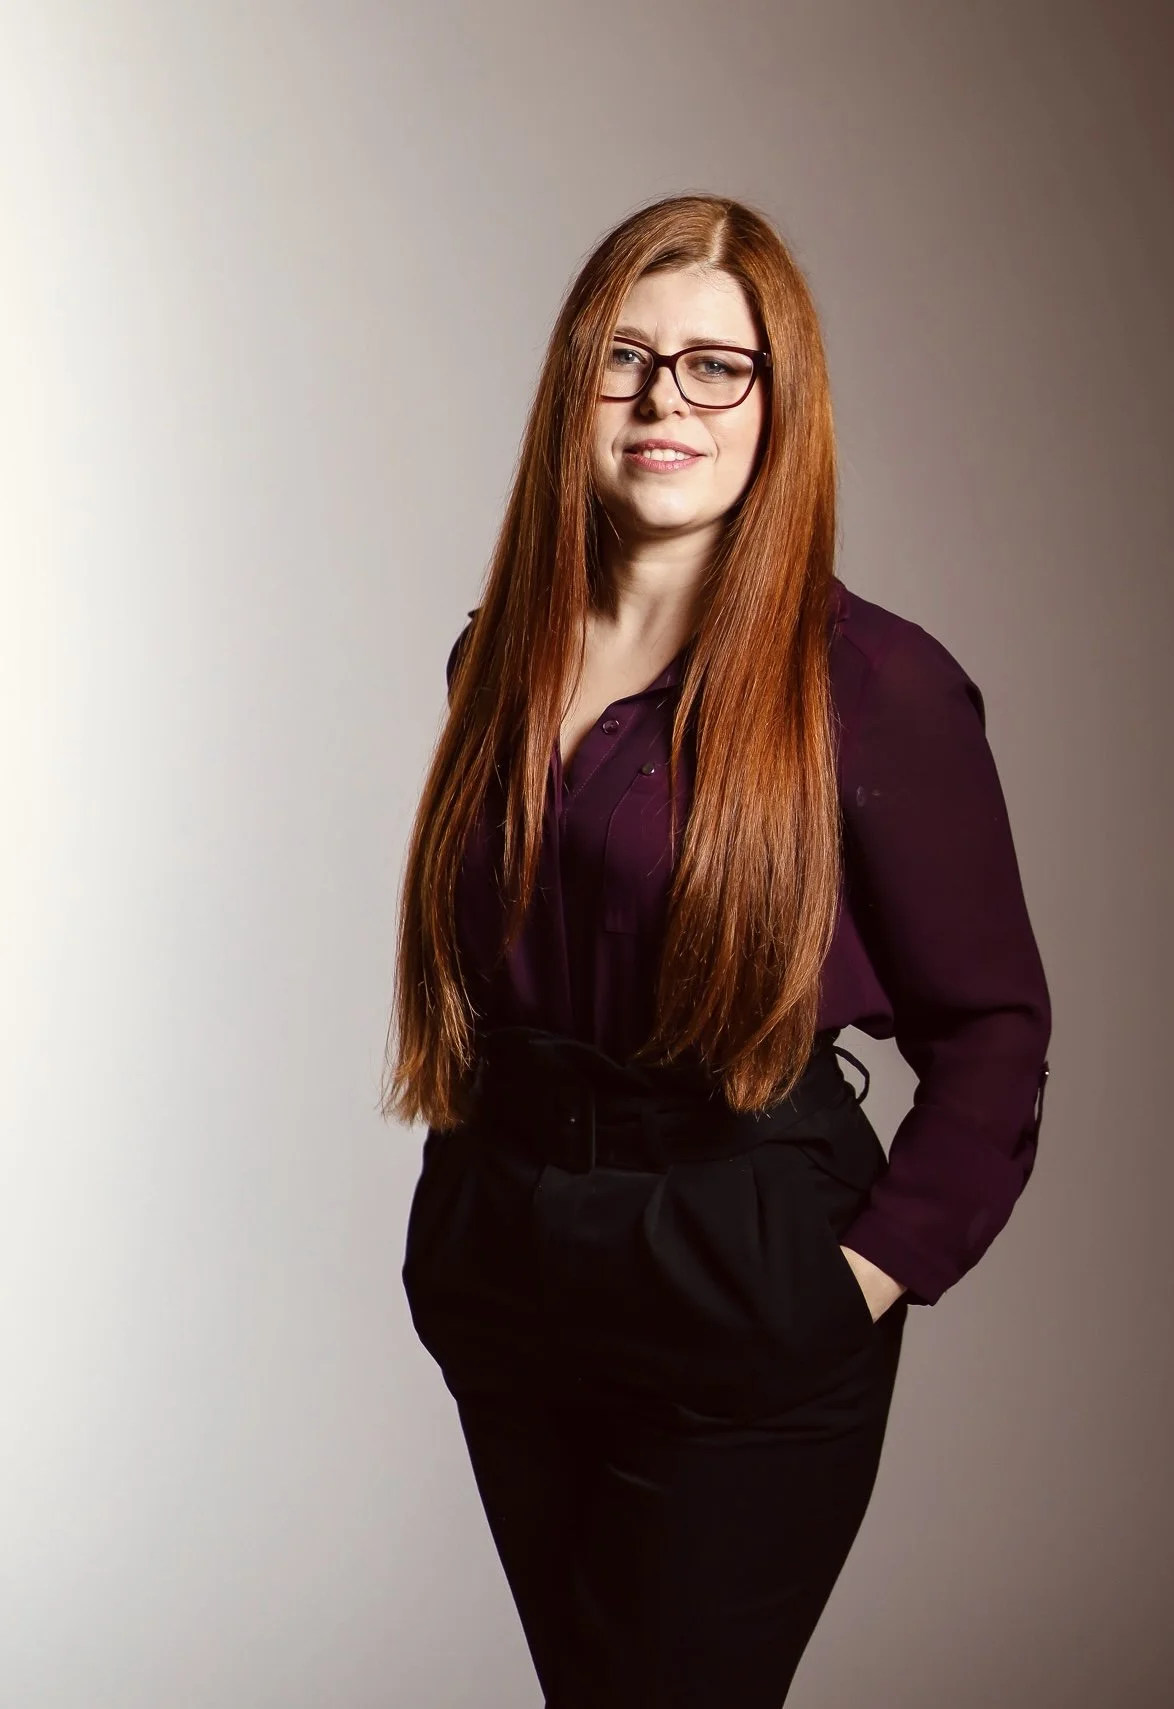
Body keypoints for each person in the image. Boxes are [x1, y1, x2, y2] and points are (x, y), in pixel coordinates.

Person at [382, 193, 1051, 1708]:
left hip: (742, 1250)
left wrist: (860, 1279)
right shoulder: (496, 652)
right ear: (574, 388)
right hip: (509, 1256)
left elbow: (995, 1028)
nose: (662, 401)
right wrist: (467, 1232)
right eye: (624, 359)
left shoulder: (871, 686)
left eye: (713, 366)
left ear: (776, 401)